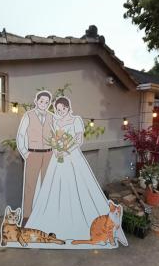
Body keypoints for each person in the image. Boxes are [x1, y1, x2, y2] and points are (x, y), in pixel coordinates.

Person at [25, 96, 111, 241]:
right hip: (58, 156)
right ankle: (57, 215)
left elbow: (79, 139)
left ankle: (76, 216)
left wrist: (67, 150)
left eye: (63, 108)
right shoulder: (56, 121)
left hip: (72, 156)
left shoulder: (76, 119)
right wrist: (56, 148)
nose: (61, 111)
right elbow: (54, 138)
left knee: (75, 184)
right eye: (58, 109)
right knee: (55, 185)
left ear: (68, 107)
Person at [16, 90, 54, 224]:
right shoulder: (28, 115)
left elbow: (56, 135)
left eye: (47, 102)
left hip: (49, 154)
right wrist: (25, 153)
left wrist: (55, 151)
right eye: (41, 101)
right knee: (30, 185)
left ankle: (45, 214)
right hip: (33, 153)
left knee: (47, 184)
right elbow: (21, 135)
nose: (44, 103)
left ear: (49, 104)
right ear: (36, 101)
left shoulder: (52, 116)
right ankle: (26, 217)